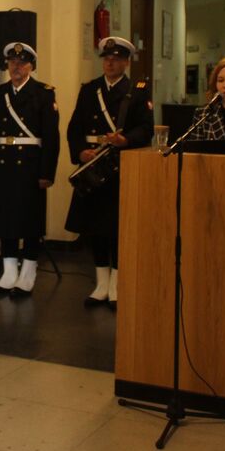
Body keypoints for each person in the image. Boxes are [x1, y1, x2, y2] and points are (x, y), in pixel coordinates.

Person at [65, 37, 153, 308]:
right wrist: (80, 152)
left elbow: (146, 128)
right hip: (93, 166)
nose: (110, 63)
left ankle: (116, 284)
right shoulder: (89, 90)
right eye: (106, 59)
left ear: (126, 62)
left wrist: (125, 140)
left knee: (116, 228)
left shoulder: (136, 91)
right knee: (95, 228)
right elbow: (74, 127)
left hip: (119, 166)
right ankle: (101, 283)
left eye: (116, 59)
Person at [0, 42, 60, 298]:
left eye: (22, 63)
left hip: (30, 166)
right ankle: (8, 273)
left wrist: (47, 172)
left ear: (31, 66)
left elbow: (51, 136)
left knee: (30, 220)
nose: (16, 67)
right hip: (4, 165)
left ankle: (27, 273)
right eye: (12, 62)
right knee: (5, 219)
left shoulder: (43, 93)